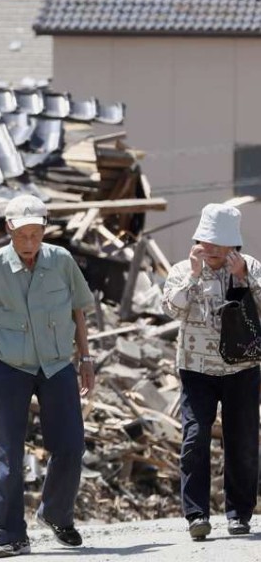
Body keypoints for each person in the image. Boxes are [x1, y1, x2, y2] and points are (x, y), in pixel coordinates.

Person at [0, 194, 96, 559]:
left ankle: (56, 514)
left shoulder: (61, 261)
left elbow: (79, 311)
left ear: (44, 230)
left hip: (56, 365)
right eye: (23, 235)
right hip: (11, 369)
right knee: (10, 455)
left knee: (69, 446)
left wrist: (85, 358)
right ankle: (10, 535)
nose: (30, 243)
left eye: (36, 234)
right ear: (9, 229)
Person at [161, 203, 260, 540]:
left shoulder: (250, 269)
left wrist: (245, 279)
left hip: (242, 369)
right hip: (195, 369)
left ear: (234, 245)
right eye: (207, 242)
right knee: (194, 438)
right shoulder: (182, 270)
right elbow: (171, 308)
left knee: (242, 442)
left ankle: (238, 515)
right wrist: (192, 275)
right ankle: (197, 515)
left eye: (220, 244)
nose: (213, 251)